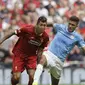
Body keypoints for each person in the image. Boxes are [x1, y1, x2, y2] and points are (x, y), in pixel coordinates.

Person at [32, 16, 85, 85]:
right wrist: (40, 26)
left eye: (73, 25)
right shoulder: (61, 27)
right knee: (42, 59)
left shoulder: (78, 37)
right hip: (50, 54)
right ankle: (35, 82)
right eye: (69, 23)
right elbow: (52, 24)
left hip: (59, 61)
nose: (70, 26)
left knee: (55, 83)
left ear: (76, 26)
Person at [0, 16, 49, 85]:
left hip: (31, 57)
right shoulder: (27, 29)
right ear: (37, 25)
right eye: (41, 25)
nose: (43, 27)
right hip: (20, 54)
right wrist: (1, 41)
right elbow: (12, 32)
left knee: (32, 77)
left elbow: (40, 50)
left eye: (44, 25)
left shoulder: (45, 37)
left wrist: (39, 64)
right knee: (16, 78)